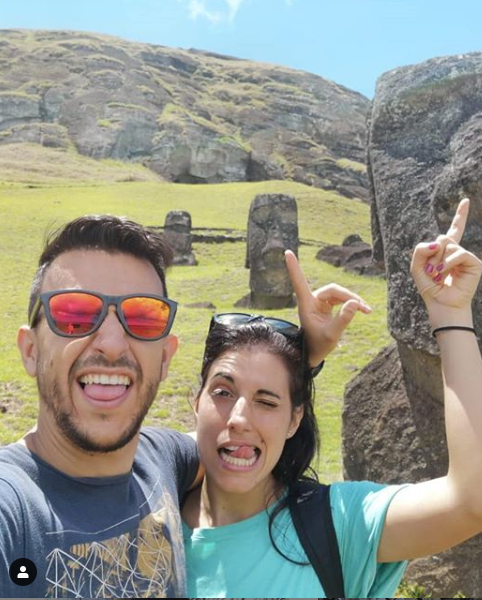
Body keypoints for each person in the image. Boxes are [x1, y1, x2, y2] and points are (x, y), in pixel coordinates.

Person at [0, 215, 367, 598]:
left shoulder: (161, 460)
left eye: (141, 318)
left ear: (164, 358)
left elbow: (237, 433)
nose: (110, 343)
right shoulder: (12, 509)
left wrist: (302, 362)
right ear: (30, 350)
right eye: (74, 315)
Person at [182, 198, 482, 597]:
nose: (239, 417)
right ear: (195, 400)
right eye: (222, 392)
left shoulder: (338, 524)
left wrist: (451, 313)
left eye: (267, 401)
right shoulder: (143, 512)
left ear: (295, 420)